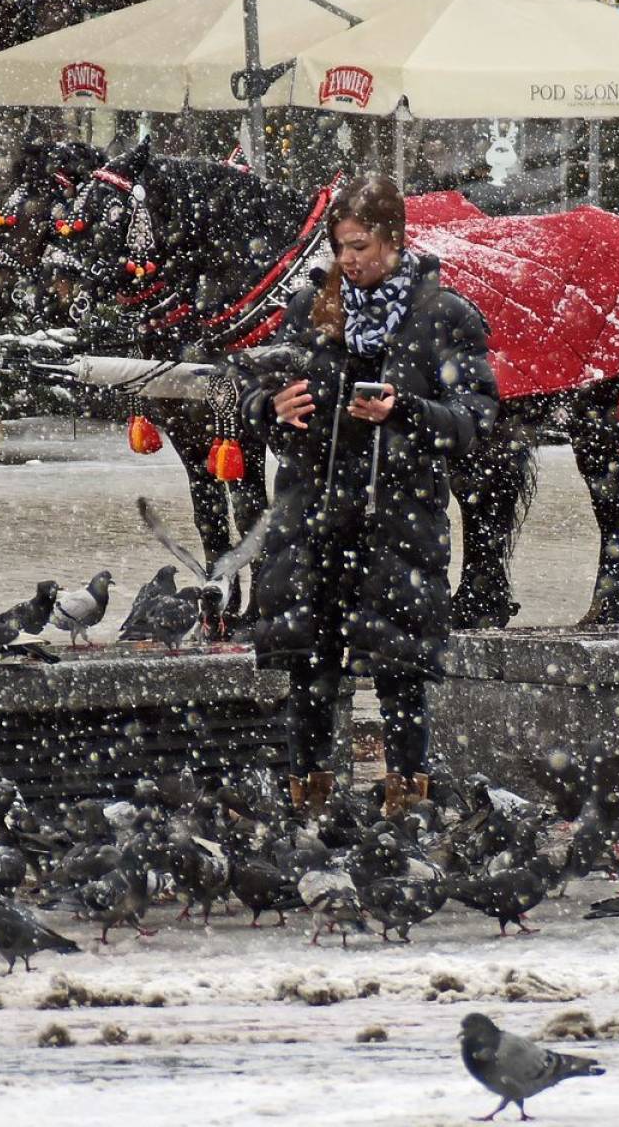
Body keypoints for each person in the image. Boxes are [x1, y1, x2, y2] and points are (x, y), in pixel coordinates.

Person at [243, 174, 499, 819]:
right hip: (313, 519)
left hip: (398, 520)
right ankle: (310, 799)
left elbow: (478, 418)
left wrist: (408, 411)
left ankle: (405, 799)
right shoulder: (310, 309)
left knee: (399, 671)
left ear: (394, 238)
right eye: (340, 247)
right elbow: (253, 394)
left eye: (359, 246)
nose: (348, 260)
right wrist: (274, 408)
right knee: (310, 670)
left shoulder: (443, 314)